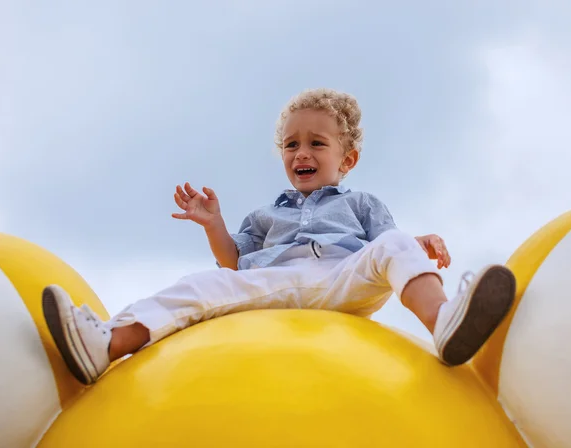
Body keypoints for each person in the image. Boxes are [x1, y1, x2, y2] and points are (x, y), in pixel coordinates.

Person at [42, 88, 516, 386]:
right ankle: (107, 344)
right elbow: (233, 263)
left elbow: (385, 248)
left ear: (346, 159)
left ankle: (446, 323)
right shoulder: (266, 214)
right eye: (291, 144)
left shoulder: (361, 203)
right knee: (197, 285)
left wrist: (417, 242)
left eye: (317, 143)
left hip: (341, 278)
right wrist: (214, 225)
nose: (301, 152)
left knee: (395, 246)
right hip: (275, 280)